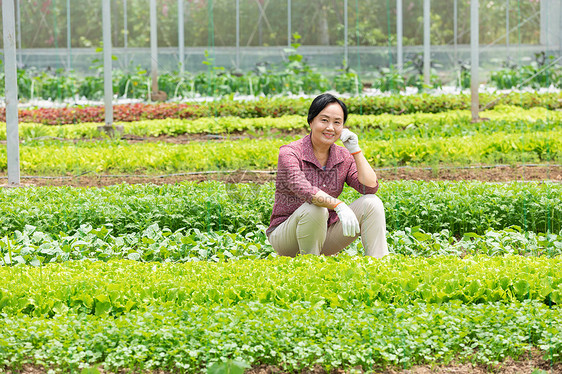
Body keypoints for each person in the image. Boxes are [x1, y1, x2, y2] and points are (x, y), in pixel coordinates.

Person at [266, 93, 389, 258]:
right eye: (324, 120)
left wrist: (356, 151)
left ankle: (378, 265)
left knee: (372, 203)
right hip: (286, 237)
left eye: (337, 122)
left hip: (324, 233)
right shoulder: (290, 152)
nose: (330, 127)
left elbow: (369, 187)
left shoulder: (343, 156)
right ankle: (310, 268)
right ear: (311, 121)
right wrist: (338, 205)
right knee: (315, 208)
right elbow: (303, 188)